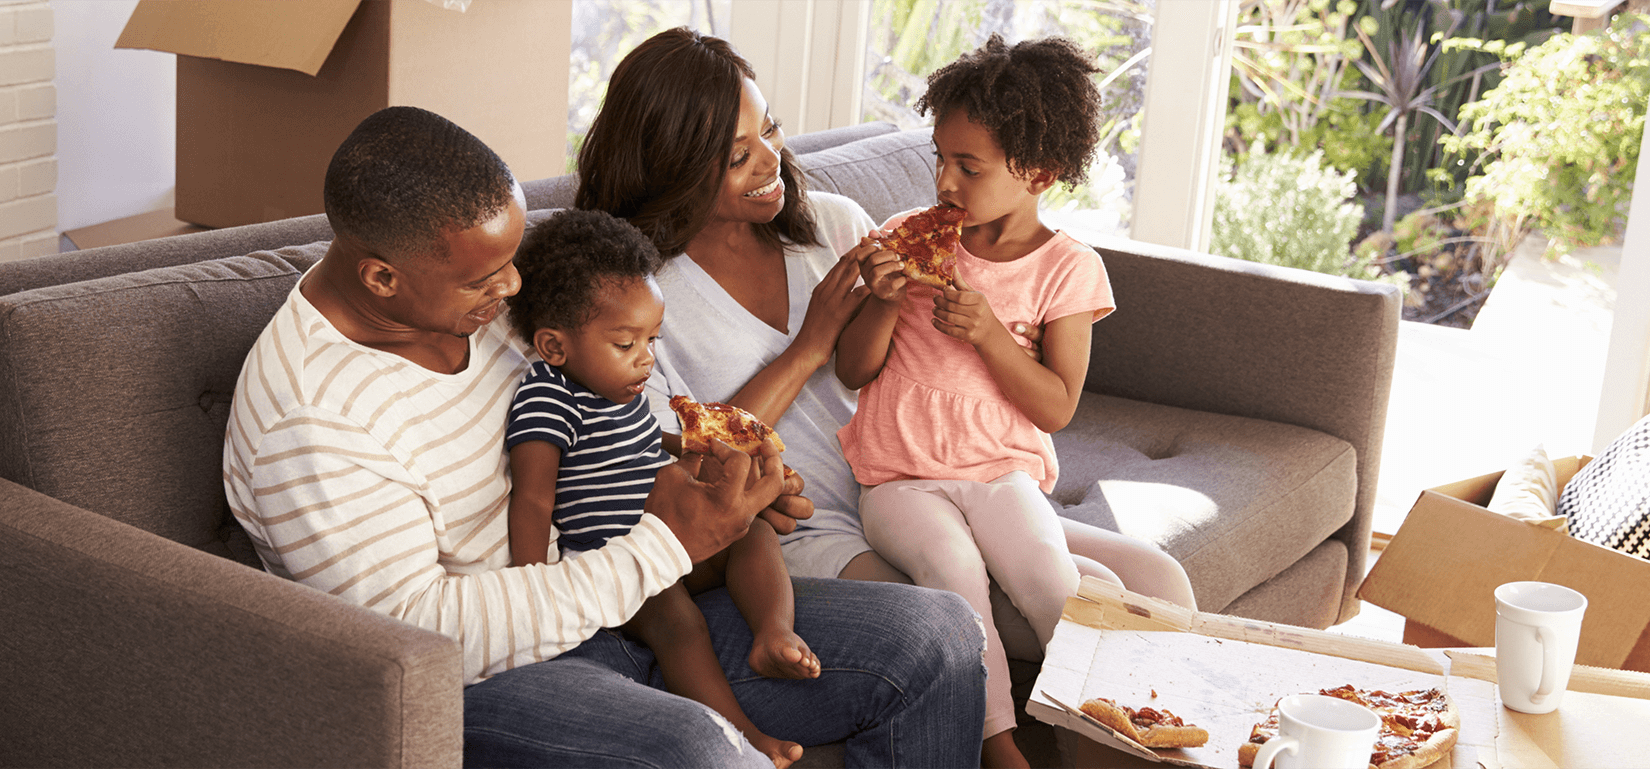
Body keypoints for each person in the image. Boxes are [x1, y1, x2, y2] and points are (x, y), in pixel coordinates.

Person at [222, 105, 984, 769]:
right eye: (484, 279)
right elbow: (419, 643)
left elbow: (599, 417)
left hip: (619, 596)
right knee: (694, 749)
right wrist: (668, 543)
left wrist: (710, 483)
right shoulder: (311, 422)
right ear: (381, 278)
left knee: (940, 633)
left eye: (509, 262)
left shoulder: (477, 309)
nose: (514, 289)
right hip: (492, 678)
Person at [578, 28, 1200, 767]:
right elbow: (684, 459)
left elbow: (928, 359)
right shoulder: (639, 300)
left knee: (1154, 583)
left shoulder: (836, 226)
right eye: (738, 155)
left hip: (928, 481)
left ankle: (1154, 745)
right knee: (1032, 608)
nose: (771, 160)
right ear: (673, 167)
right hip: (805, 533)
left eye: (769, 130)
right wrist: (814, 340)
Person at [833, 35, 1199, 767]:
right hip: (899, 478)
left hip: (1001, 472)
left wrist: (992, 336)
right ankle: (997, 737)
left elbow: (1057, 405)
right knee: (954, 570)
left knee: (1049, 577)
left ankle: (1082, 732)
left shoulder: (1068, 269)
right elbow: (853, 368)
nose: (945, 181)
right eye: (939, 157)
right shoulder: (904, 238)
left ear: (1040, 172)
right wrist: (881, 300)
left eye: (969, 167)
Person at [502, 209, 820, 767]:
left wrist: (694, 448)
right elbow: (533, 497)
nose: (647, 358)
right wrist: (535, 593)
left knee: (753, 531)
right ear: (554, 346)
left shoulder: (622, 392)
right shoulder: (548, 397)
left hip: (672, 541)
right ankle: (744, 735)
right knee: (679, 623)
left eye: (652, 338)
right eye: (626, 344)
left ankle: (773, 632)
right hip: (619, 563)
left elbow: (649, 443)